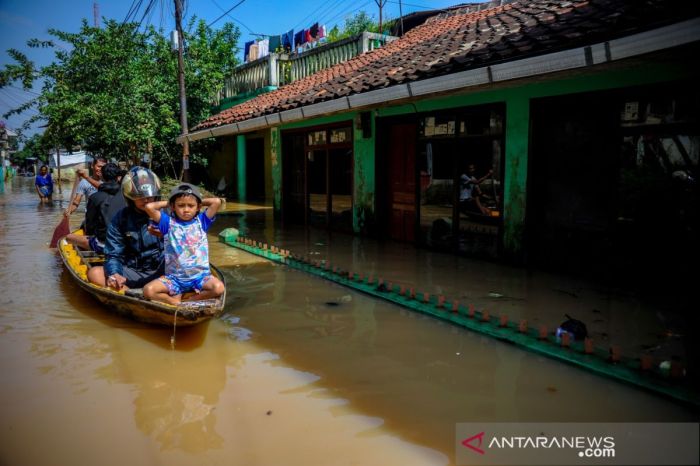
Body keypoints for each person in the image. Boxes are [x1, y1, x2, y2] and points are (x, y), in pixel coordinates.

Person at [142, 183, 224, 305]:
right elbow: (149, 207)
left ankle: (191, 301)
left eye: (191, 206)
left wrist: (193, 199)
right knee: (148, 291)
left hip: (200, 277)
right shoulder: (167, 223)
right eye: (181, 205)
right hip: (174, 279)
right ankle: (174, 303)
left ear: (198, 207)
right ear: (173, 207)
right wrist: (170, 202)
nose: (186, 210)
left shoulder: (202, 221)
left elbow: (216, 202)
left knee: (218, 288)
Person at [86, 166, 164, 291]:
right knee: (95, 273)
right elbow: (113, 253)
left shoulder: (167, 215)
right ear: (130, 197)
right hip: (133, 271)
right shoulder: (121, 219)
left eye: (150, 196)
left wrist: (168, 232)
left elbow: (186, 246)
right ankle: (128, 292)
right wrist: (115, 273)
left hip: (163, 271)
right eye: (140, 196)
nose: (146, 200)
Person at [65, 162, 126, 253]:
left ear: (102, 177)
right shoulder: (127, 196)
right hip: (125, 242)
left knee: (68, 237)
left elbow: (90, 227)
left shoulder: (94, 197)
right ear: (119, 178)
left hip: (104, 245)